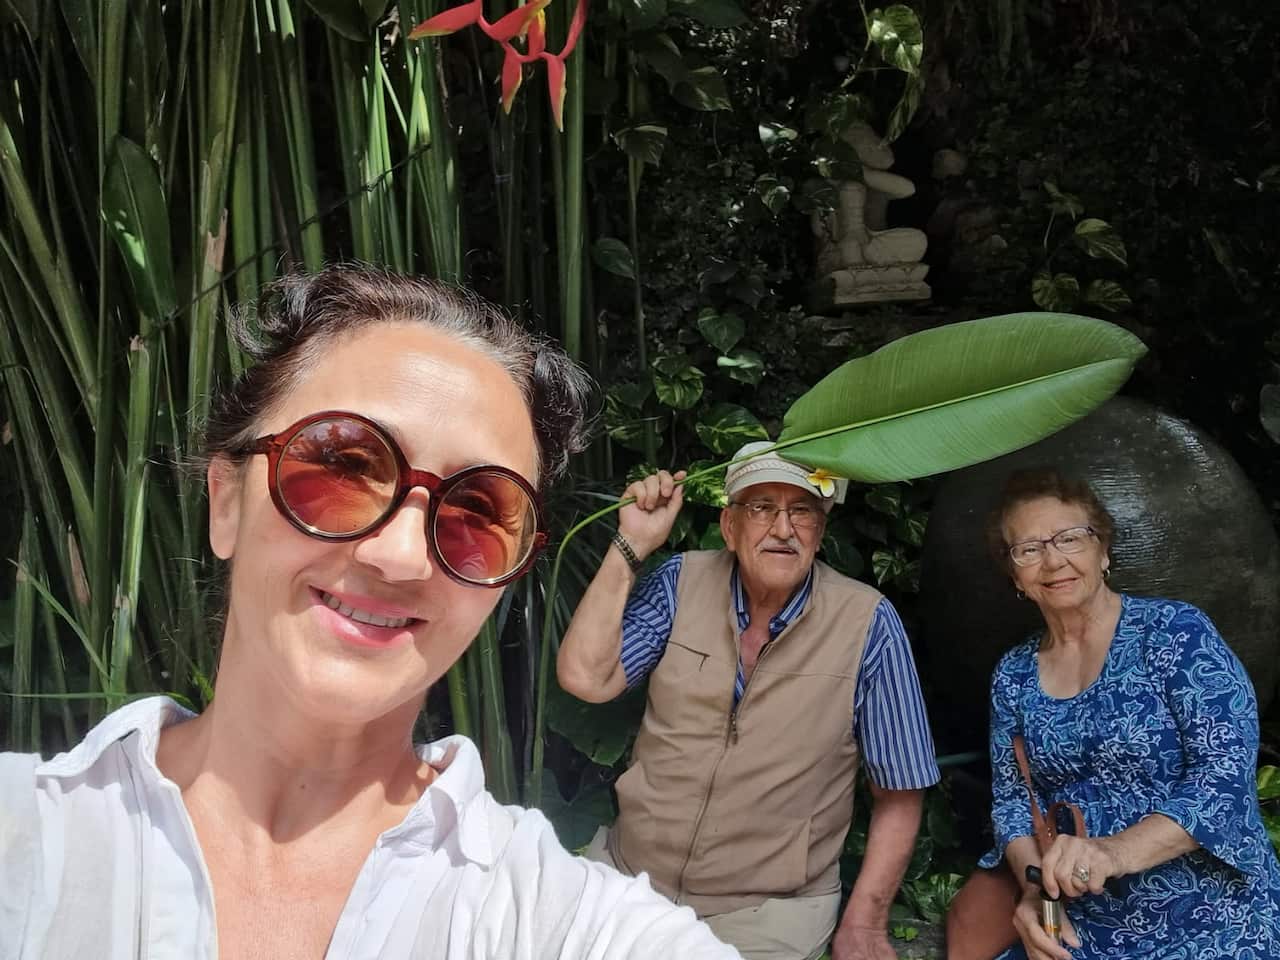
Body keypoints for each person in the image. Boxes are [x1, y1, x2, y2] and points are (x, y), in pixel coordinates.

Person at [0, 265, 741, 959]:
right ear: (225, 501)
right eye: (342, 467)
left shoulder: (560, 923)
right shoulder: (23, 839)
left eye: (480, 513)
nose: (402, 556)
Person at [557, 442, 940, 960]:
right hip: (630, 878)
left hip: (767, 911)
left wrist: (866, 922)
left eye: (801, 510)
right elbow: (586, 677)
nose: (783, 528)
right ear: (730, 526)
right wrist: (630, 543)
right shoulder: (680, 582)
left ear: (820, 530)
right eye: (761, 508)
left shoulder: (868, 623)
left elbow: (901, 790)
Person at [980, 468, 1280, 960]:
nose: (1054, 560)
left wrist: (1111, 852)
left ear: (1104, 551)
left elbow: (1223, 776)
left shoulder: (1176, 634)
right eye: (1029, 549)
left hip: (1212, 916)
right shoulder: (1013, 674)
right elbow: (1014, 804)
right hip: (1082, 924)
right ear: (1015, 575)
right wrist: (1036, 893)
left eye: (1070, 538)